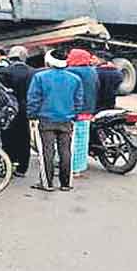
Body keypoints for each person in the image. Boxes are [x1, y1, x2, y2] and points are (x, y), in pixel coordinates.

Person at [27, 51, 84, 192]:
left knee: (47, 151)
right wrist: (74, 115)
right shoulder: (75, 79)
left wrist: (32, 115)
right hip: (67, 119)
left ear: (48, 62)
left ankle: (47, 183)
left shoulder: (40, 77)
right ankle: (66, 183)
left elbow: (34, 99)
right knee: (66, 151)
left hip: (45, 119)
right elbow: (79, 100)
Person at [0, 46, 35, 176]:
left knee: (7, 137)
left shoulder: (3, 72)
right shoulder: (33, 72)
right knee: (24, 138)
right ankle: (22, 168)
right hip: (26, 109)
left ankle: (8, 164)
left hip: (8, 110)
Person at [65, 48, 99, 176]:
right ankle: (78, 167)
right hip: (88, 110)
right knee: (82, 140)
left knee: (69, 140)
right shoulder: (93, 72)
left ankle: (69, 166)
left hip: (73, 110)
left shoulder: (70, 71)